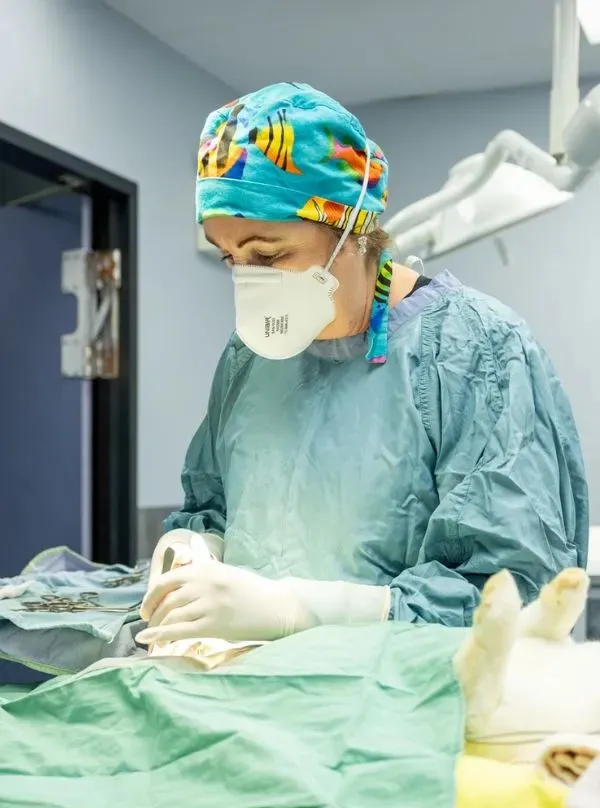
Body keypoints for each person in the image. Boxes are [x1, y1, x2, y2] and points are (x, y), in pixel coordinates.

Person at [138, 82, 589, 647]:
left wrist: (299, 610)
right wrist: (197, 549)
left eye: (268, 254)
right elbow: (212, 506)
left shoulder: (477, 352)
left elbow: (506, 596)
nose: (248, 279)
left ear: (351, 229)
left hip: (406, 707)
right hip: (248, 689)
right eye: (230, 257)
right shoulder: (249, 355)